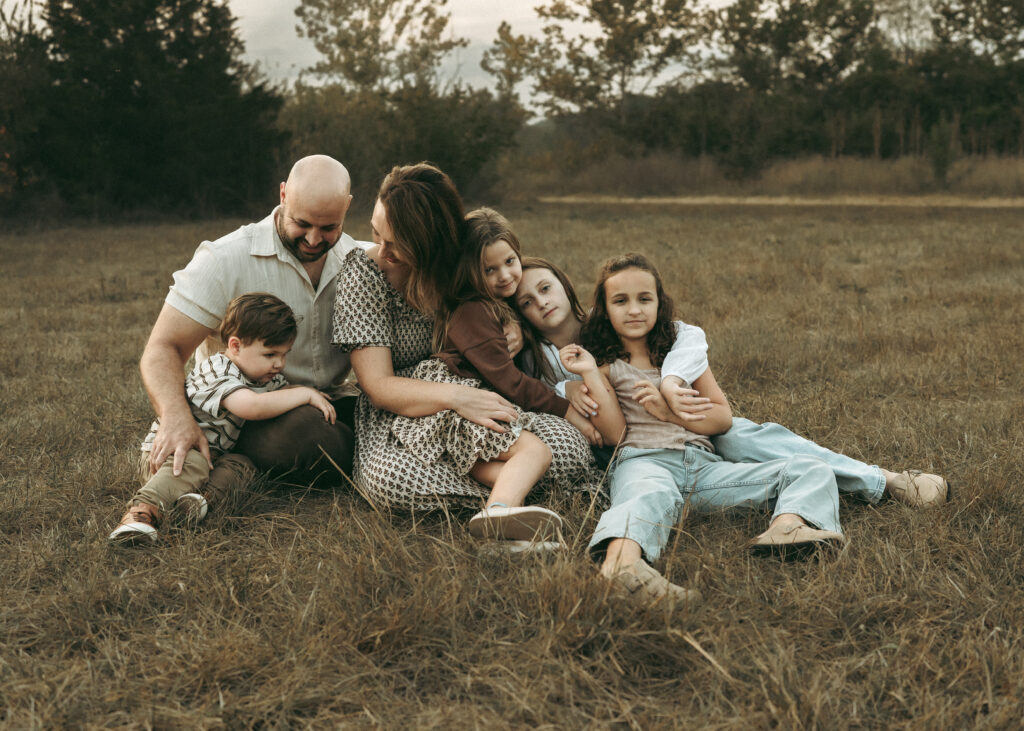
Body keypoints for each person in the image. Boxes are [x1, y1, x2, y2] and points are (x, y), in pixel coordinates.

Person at [514, 256, 950, 508]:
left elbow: (687, 337)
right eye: (527, 302)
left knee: (745, 435)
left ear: (566, 288)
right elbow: (530, 398)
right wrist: (561, 389)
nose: (541, 303)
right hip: (636, 448)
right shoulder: (536, 359)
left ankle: (883, 480)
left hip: (685, 424)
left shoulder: (610, 321)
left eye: (547, 289)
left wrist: (671, 384)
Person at [562, 254, 846, 604]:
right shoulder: (606, 364)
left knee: (809, 467)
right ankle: (621, 566)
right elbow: (614, 434)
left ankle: (788, 527)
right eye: (621, 301)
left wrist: (671, 413)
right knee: (647, 497)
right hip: (644, 461)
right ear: (605, 310)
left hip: (702, 470)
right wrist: (589, 372)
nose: (634, 310)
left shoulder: (682, 359)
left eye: (644, 299)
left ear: (660, 304)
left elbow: (722, 418)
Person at [332, 164, 602, 517]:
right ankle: (514, 497)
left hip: (479, 390)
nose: (382, 251)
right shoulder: (364, 275)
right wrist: (459, 398)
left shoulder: (459, 265)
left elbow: (507, 275)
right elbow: (379, 385)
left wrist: (510, 317)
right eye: (376, 234)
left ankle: (505, 499)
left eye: (397, 243)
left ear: (432, 242)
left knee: (569, 448)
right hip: (403, 411)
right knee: (392, 480)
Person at [140, 155, 364, 486]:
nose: (314, 240)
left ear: (347, 207)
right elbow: (163, 347)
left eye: (329, 227)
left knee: (382, 416)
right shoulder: (224, 259)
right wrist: (175, 418)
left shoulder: (358, 259)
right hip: (248, 412)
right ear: (283, 195)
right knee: (311, 438)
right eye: (302, 223)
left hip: (328, 400)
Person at [110, 294, 336, 544]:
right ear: (236, 346)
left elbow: (279, 398)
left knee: (243, 467)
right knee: (194, 462)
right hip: (171, 455)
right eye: (270, 354)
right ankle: (141, 513)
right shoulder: (216, 369)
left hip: (213, 459)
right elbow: (251, 407)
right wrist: (303, 394)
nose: (280, 364)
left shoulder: (265, 378)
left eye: (285, 354)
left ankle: (197, 503)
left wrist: (312, 396)